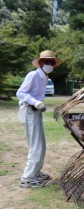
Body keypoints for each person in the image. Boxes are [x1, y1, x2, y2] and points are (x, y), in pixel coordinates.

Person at [16, 50, 61, 188]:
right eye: (47, 62)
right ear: (40, 63)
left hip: (36, 111)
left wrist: (39, 104)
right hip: (29, 110)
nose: (49, 65)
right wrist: (34, 102)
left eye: (51, 62)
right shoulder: (33, 74)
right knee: (36, 146)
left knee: (41, 144)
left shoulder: (45, 77)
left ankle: (36, 172)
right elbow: (20, 93)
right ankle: (27, 178)